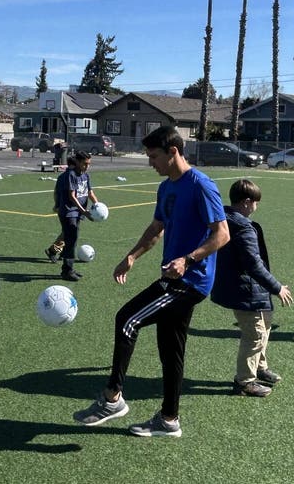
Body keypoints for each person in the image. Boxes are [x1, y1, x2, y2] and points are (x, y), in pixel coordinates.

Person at [73, 125, 229, 437]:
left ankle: (112, 398)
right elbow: (157, 228)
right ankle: (169, 420)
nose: (149, 162)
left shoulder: (201, 185)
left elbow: (222, 234)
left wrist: (188, 259)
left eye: (154, 156)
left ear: (174, 152)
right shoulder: (166, 188)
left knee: (127, 319)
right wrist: (132, 257)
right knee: (171, 351)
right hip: (172, 275)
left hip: (190, 282)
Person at [209, 179, 293, 398]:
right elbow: (253, 264)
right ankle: (244, 382)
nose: (257, 206)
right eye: (256, 202)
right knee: (255, 335)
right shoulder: (243, 227)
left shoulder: (224, 220)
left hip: (246, 288)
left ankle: (260, 367)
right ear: (247, 202)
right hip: (246, 290)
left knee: (264, 326)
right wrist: (277, 288)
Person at [54, 151, 99, 281]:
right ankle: (66, 271)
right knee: (71, 240)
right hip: (69, 212)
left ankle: (69, 268)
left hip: (78, 212)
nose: (87, 166)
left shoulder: (86, 176)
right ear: (78, 162)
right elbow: (72, 196)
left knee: (72, 238)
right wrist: (83, 211)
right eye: (85, 164)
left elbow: (90, 192)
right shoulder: (71, 175)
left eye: (89, 164)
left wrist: (97, 204)